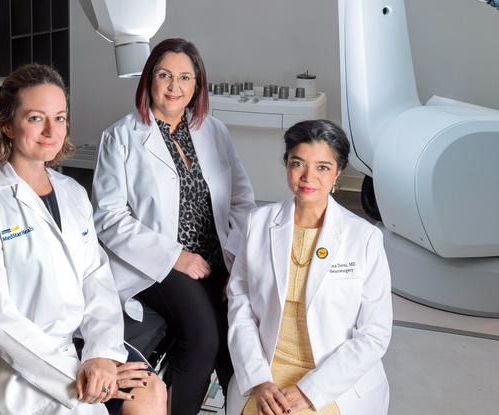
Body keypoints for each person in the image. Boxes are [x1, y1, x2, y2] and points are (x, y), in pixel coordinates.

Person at [0, 64, 166, 415]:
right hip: (12, 367)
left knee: (151, 392)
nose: (52, 130)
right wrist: (80, 374)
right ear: (6, 124)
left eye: (60, 117)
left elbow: (94, 276)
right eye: (36, 118)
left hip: (76, 347)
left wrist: (102, 355)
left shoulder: (72, 193)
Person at [92, 38, 256, 414]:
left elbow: (243, 201)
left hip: (217, 255)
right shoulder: (121, 137)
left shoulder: (214, 132)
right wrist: (177, 256)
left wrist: (239, 261)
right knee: (203, 337)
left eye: (185, 77)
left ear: (197, 85)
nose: (173, 86)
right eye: (164, 75)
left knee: (240, 334)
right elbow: (109, 218)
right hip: (157, 262)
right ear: (149, 79)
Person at [226, 120, 393, 415]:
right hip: (268, 372)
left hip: (332, 378)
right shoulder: (258, 223)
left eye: (323, 167)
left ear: (338, 173)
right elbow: (240, 307)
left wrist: (310, 390)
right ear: (286, 164)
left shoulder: (364, 238)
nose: (308, 177)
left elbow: (374, 334)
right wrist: (259, 381)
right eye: (298, 163)